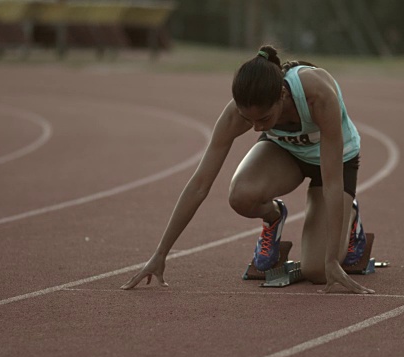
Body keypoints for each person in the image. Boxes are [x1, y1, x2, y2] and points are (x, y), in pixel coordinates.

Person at [121, 45, 375, 294]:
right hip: (286, 152)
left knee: (319, 272)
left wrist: (331, 260)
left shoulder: (317, 95)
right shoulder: (238, 113)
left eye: (264, 119)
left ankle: (349, 217)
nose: (255, 128)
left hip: (333, 163)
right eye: (248, 119)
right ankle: (273, 217)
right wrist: (160, 253)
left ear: (283, 97)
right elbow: (200, 185)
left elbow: (331, 182)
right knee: (241, 195)